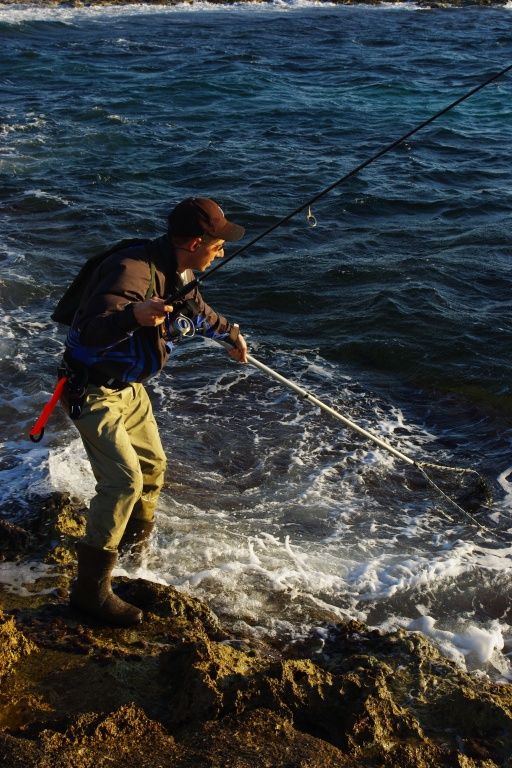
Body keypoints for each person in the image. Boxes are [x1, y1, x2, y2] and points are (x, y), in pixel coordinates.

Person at [62, 197, 247, 626]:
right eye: (219, 244)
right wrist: (133, 316)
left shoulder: (177, 270)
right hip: (93, 391)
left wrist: (230, 335)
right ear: (198, 241)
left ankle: (131, 559)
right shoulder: (133, 271)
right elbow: (83, 337)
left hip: (131, 390)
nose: (221, 251)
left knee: (152, 469)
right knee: (123, 482)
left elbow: (197, 313)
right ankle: (89, 592)